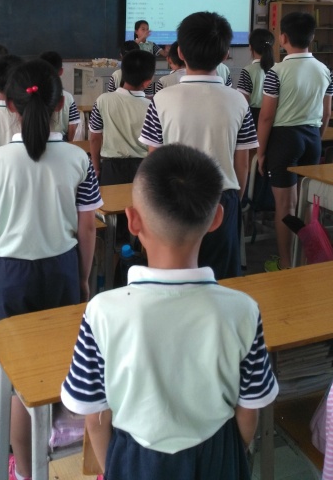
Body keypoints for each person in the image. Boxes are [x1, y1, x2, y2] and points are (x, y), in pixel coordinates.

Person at [61, 145, 278, 480]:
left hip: (135, 459)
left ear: (132, 220)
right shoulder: (243, 310)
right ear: (217, 218)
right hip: (218, 454)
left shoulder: (101, 313)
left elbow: (95, 417)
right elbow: (250, 411)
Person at [0, 59, 102, 480]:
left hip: (9, 277)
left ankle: (25, 472)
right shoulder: (78, 160)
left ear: (10, 105)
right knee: (64, 366)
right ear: (60, 105)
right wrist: (82, 277)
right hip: (62, 269)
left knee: (18, 382)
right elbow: (87, 229)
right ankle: (70, 459)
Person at [139, 11, 257, 280]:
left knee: (175, 278)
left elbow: (153, 160)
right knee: (221, 280)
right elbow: (242, 162)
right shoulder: (238, 101)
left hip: (172, 200)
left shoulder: (161, 99)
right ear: (226, 53)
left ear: (180, 52)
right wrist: (234, 200)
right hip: (222, 198)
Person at [257, 12, 333, 271]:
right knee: (305, 203)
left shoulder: (277, 71)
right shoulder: (324, 70)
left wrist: (261, 152)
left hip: (284, 140)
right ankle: (303, 261)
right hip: (312, 137)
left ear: (283, 38)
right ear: (312, 37)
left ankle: (286, 263)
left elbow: (266, 117)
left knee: (285, 205)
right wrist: (317, 138)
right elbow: (327, 113)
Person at [89, 50, 155, 185]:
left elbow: (95, 138)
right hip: (142, 169)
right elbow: (154, 144)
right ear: (147, 82)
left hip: (111, 168)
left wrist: (96, 168)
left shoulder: (102, 100)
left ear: (122, 73)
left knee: (110, 199)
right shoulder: (153, 107)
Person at [237, 28, 275, 129]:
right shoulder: (279, 68)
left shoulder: (248, 70)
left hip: (254, 118)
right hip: (276, 117)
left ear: (250, 47)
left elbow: (242, 101)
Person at [38, 50, 81, 140]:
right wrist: (68, 143)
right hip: (61, 139)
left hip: (38, 139)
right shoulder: (68, 97)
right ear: (61, 71)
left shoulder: (34, 94)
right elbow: (72, 125)